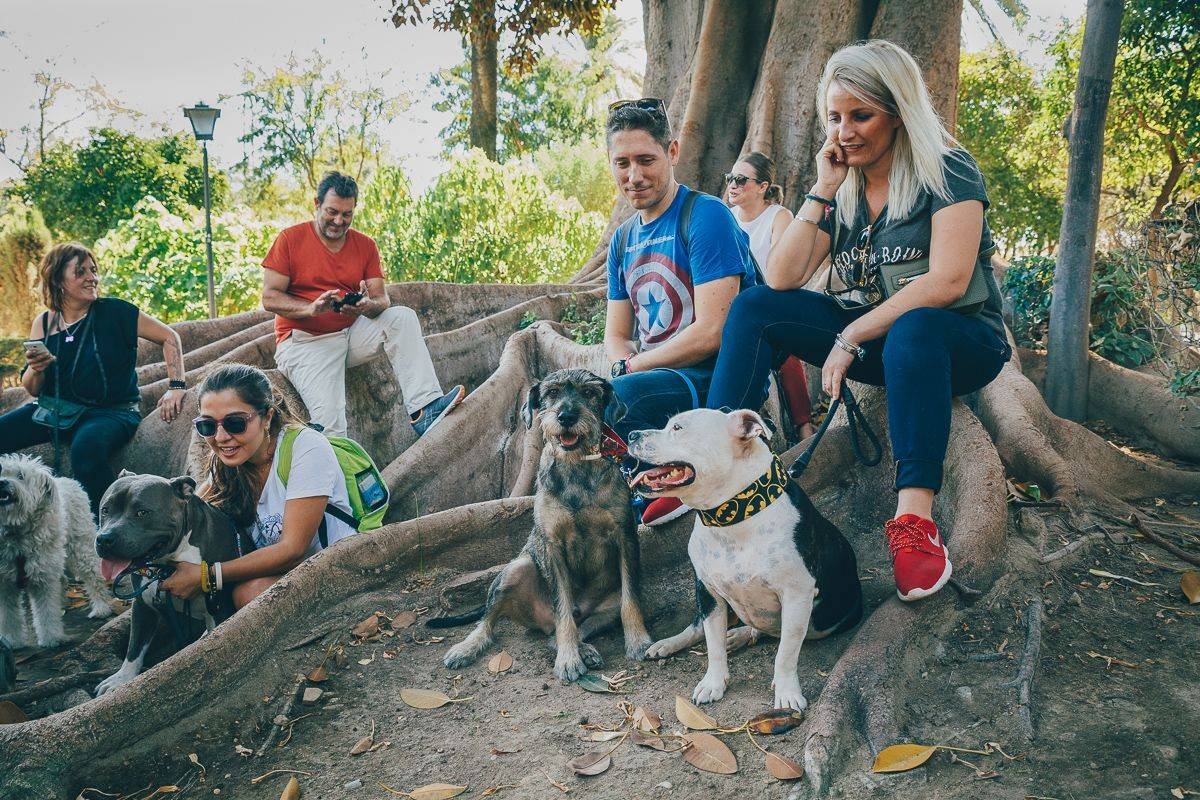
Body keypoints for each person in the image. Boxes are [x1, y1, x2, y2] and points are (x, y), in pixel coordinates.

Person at [706, 40, 1012, 601]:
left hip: (960, 341)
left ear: (897, 112)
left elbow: (945, 283)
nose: (844, 132)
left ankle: (915, 523)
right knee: (756, 307)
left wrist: (852, 333)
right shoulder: (843, 187)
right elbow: (780, 278)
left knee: (916, 329)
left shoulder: (948, 170)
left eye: (861, 116)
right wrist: (822, 189)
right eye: (835, 117)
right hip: (880, 342)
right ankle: (711, 452)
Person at [603, 98, 757, 526]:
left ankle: (662, 489)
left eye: (646, 160)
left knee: (619, 398)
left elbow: (713, 332)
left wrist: (632, 366)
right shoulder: (621, 240)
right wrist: (623, 362)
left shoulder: (705, 216)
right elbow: (616, 333)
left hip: (709, 377)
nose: (634, 176)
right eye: (622, 163)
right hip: (653, 373)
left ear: (672, 152)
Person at [262, 171, 463, 440]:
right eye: (332, 212)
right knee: (331, 427)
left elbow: (382, 299)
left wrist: (366, 306)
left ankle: (424, 408)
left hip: (350, 335)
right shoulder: (290, 239)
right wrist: (311, 309)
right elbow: (270, 297)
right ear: (316, 204)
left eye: (347, 214)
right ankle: (338, 479)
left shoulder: (365, 245)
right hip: (305, 343)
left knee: (401, 317)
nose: (338, 221)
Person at [0, 243, 187, 518]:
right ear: (58, 280)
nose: (92, 277)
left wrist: (176, 387)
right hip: (56, 409)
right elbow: (32, 388)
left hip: (112, 412)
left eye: (93, 270)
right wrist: (37, 369)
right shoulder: (44, 323)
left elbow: (170, 337)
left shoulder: (118, 312)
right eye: (81, 272)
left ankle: (114, 524)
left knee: (85, 454)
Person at [161, 364, 355, 608]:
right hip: (279, 573)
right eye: (208, 426)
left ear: (267, 417)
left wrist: (207, 576)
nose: (220, 437)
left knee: (249, 594)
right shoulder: (226, 465)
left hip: (335, 568)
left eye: (235, 423)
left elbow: (292, 549)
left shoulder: (306, 447)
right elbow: (193, 513)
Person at [724, 151, 816, 440]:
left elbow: (782, 264)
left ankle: (804, 424)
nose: (732, 185)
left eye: (740, 180)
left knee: (786, 356)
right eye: (730, 179)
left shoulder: (779, 216)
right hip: (730, 300)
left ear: (763, 187)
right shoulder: (726, 217)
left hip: (771, 297)